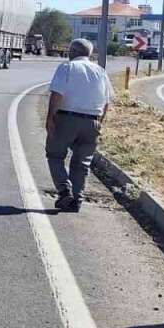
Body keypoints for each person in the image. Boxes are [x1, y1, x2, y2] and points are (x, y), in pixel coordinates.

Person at [45, 38, 114, 213]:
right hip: (93, 121)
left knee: (55, 155)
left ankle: (64, 190)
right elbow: (106, 103)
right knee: (82, 163)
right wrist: (99, 124)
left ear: (72, 52)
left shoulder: (67, 67)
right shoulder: (101, 71)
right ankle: (77, 199)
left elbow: (57, 95)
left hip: (67, 118)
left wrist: (50, 118)